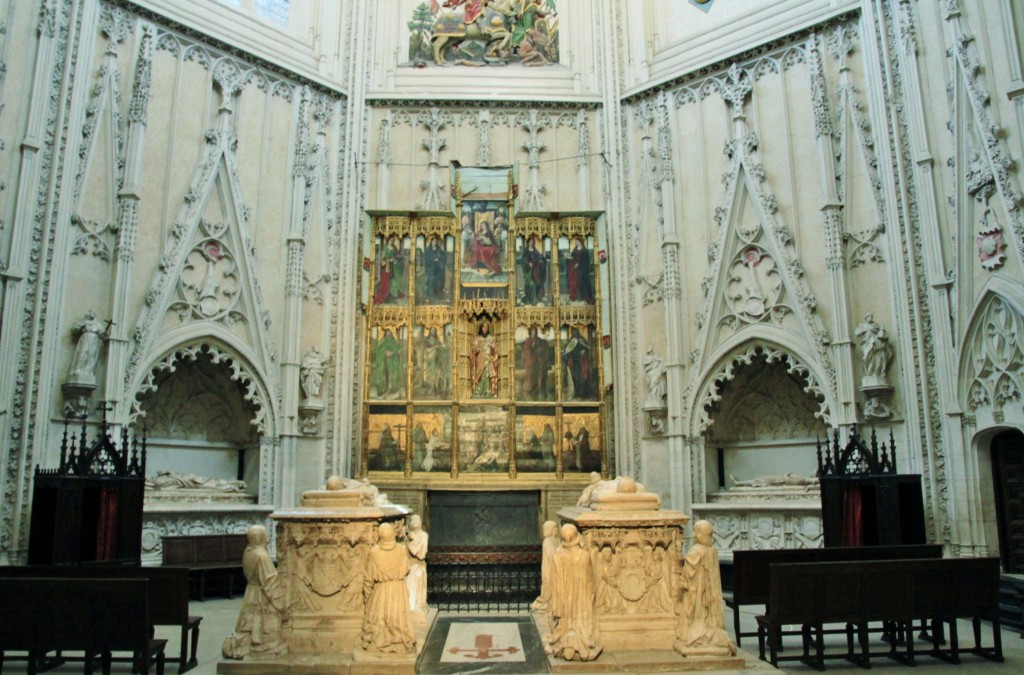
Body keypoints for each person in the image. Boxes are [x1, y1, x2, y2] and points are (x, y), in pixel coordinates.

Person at [222, 525, 287, 659]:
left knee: (250, 623)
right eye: (265, 535)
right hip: (260, 593)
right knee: (261, 623)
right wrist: (281, 602)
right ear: (260, 538)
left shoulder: (248, 551)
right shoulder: (262, 556)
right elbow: (269, 581)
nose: (268, 538)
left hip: (251, 590)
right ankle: (257, 645)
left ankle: (250, 642)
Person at [675, 520, 736, 657]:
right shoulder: (712, 551)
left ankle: (699, 632)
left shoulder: (696, 551)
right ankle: (710, 630)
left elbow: (687, 576)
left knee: (697, 614)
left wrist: (680, 586)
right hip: (709, 595)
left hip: (698, 594)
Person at [546, 523, 603, 661]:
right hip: (580, 602)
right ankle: (580, 637)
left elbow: (555, 584)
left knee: (565, 620)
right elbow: (590, 583)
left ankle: (565, 635)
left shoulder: (558, 557)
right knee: (580, 617)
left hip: (565, 602)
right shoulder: (584, 556)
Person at [361, 522, 415, 654]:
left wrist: (368, 600)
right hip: (398, 590)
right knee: (398, 619)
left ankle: (381, 644)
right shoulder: (402, 550)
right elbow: (407, 569)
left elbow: (368, 579)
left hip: (380, 591)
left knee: (379, 619)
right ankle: (399, 642)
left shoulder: (374, 552)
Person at [67, 310, 108, 385]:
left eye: (94, 313)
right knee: (83, 353)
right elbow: (75, 329)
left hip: (94, 340)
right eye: (92, 313)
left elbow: (102, 335)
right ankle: (78, 368)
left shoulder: (97, 324)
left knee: (91, 356)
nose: (93, 315)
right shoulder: (83, 322)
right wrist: (81, 326)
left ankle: (88, 371)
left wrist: (104, 334)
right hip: (86, 338)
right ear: (89, 314)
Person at [854, 312, 893, 384]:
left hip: (877, 343)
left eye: (871, 316)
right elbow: (857, 333)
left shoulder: (876, 325)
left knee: (879, 356)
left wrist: (881, 332)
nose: (870, 318)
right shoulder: (863, 325)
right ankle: (869, 371)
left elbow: (883, 335)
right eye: (869, 316)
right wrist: (865, 329)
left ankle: (877, 372)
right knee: (868, 356)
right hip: (867, 343)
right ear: (866, 318)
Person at [531, 520, 559, 613]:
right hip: (549, 567)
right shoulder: (547, 541)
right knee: (548, 583)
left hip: (556, 566)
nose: (556, 530)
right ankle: (548, 600)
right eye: (555, 528)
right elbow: (552, 554)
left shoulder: (557, 540)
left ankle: (554, 602)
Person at [405, 515, 429, 616]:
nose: (415, 522)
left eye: (417, 520)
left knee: (418, 588)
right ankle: (412, 608)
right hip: (409, 566)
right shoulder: (407, 535)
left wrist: (413, 540)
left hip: (418, 566)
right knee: (410, 588)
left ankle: (419, 607)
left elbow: (421, 554)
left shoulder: (423, 535)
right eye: (413, 520)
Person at [521, 326, 552, 400]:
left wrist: (539, 350)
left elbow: (543, 348)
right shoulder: (528, 340)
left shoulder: (539, 340)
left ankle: (538, 388)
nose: (534, 332)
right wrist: (531, 352)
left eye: (535, 331)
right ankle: (530, 389)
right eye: (533, 331)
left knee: (540, 375)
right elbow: (526, 351)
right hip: (531, 361)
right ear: (530, 332)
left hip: (538, 361)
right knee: (530, 375)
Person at [563, 326, 594, 400]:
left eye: (575, 332)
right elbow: (567, 350)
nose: (574, 333)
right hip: (575, 363)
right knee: (575, 378)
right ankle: (576, 393)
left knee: (583, 378)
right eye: (573, 332)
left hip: (582, 362)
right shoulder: (572, 341)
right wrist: (568, 357)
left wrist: (584, 352)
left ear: (578, 332)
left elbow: (588, 348)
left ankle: (584, 394)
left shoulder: (582, 339)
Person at [470, 323, 500, 397]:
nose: (485, 329)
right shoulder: (477, 338)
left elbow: (495, 350)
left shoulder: (491, 338)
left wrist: (492, 348)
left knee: (487, 374)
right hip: (480, 359)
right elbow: (473, 349)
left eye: (486, 327)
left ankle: (488, 391)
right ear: (481, 328)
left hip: (489, 359)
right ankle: (478, 391)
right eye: (484, 327)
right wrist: (478, 347)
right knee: (480, 374)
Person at [372, 329, 403, 399]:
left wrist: (395, 352)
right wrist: (385, 353)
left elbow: (398, 350)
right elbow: (378, 351)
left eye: (390, 332)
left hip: (392, 362)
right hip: (384, 362)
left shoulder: (393, 341)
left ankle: (390, 390)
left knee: (391, 375)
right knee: (383, 376)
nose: (388, 334)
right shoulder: (383, 341)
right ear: (385, 333)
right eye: (387, 332)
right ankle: (382, 391)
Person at [373, 236, 404, 305]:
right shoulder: (385, 248)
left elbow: (398, 256)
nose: (391, 241)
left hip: (392, 267)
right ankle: (385, 295)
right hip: (386, 267)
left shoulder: (394, 248)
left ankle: (389, 294)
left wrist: (395, 259)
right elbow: (383, 258)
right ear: (388, 240)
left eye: (392, 240)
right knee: (385, 281)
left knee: (391, 281)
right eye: (390, 240)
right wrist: (389, 260)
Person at [566, 237, 593, 304]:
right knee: (572, 280)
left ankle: (583, 297)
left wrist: (579, 264)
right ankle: (575, 296)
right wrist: (568, 257)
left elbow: (586, 261)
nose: (576, 243)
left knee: (581, 282)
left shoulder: (584, 251)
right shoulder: (574, 250)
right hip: (575, 269)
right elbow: (572, 258)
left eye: (577, 241)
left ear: (580, 242)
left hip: (582, 270)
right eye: (575, 242)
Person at [521, 236, 547, 304]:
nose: (531, 243)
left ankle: (536, 297)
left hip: (535, 269)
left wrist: (541, 260)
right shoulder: (526, 250)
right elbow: (523, 260)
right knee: (531, 284)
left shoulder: (535, 251)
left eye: (533, 242)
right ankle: (531, 298)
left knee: (537, 282)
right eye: (530, 241)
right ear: (528, 242)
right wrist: (528, 263)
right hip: (528, 271)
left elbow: (539, 258)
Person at [423, 236, 447, 301]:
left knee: (438, 282)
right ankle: (431, 296)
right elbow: (426, 259)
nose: (434, 242)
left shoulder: (439, 249)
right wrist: (433, 260)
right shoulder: (428, 250)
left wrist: (439, 259)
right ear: (431, 242)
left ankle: (438, 295)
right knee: (431, 281)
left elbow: (444, 256)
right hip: (431, 269)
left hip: (438, 269)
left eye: (436, 241)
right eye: (433, 241)